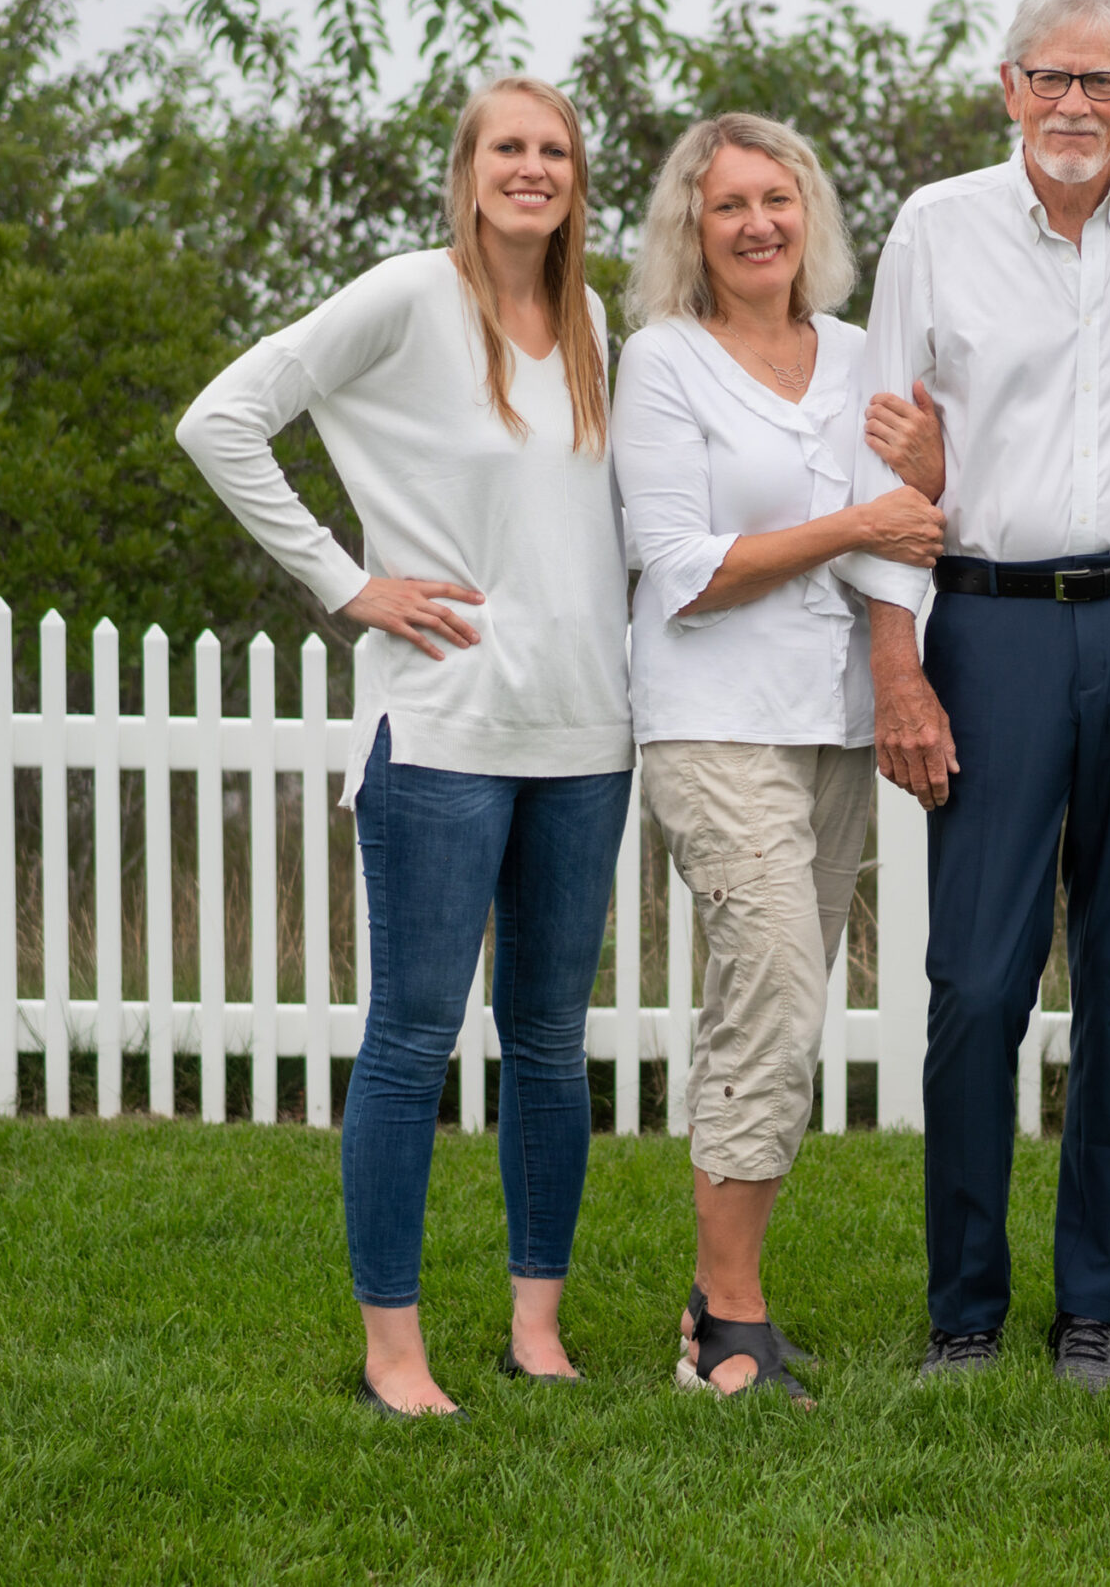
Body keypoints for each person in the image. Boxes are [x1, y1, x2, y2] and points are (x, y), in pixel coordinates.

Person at [177, 75, 632, 1416]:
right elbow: (221, 420)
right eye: (509, 147)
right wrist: (343, 580)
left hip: (583, 730)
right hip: (440, 724)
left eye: (553, 149)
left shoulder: (593, 319)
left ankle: (535, 1330)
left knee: (549, 1040)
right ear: (469, 165)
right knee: (412, 1037)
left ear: (574, 175)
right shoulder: (404, 297)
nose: (531, 168)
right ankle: (393, 1353)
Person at [846, 0, 1110, 1392]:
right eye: (1051, 79)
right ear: (1009, 88)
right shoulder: (936, 232)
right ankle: (965, 1307)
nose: (1077, 105)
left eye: (1104, 82)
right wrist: (899, 660)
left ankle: (1097, 1307)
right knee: (975, 979)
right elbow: (883, 468)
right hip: (993, 627)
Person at [610, 113, 947, 1402]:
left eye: (780, 199)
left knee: (780, 1007)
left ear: (811, 216)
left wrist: (920, 484)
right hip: (711, 719)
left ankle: (717, 1295)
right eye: (731, 204)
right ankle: (732, 1329)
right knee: (774, 982)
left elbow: (913, 538)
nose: (759, 224)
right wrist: (862, 514)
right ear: (692, 229)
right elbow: (684, 571)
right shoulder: (664, 362)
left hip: (836, 727)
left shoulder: (863, 357)